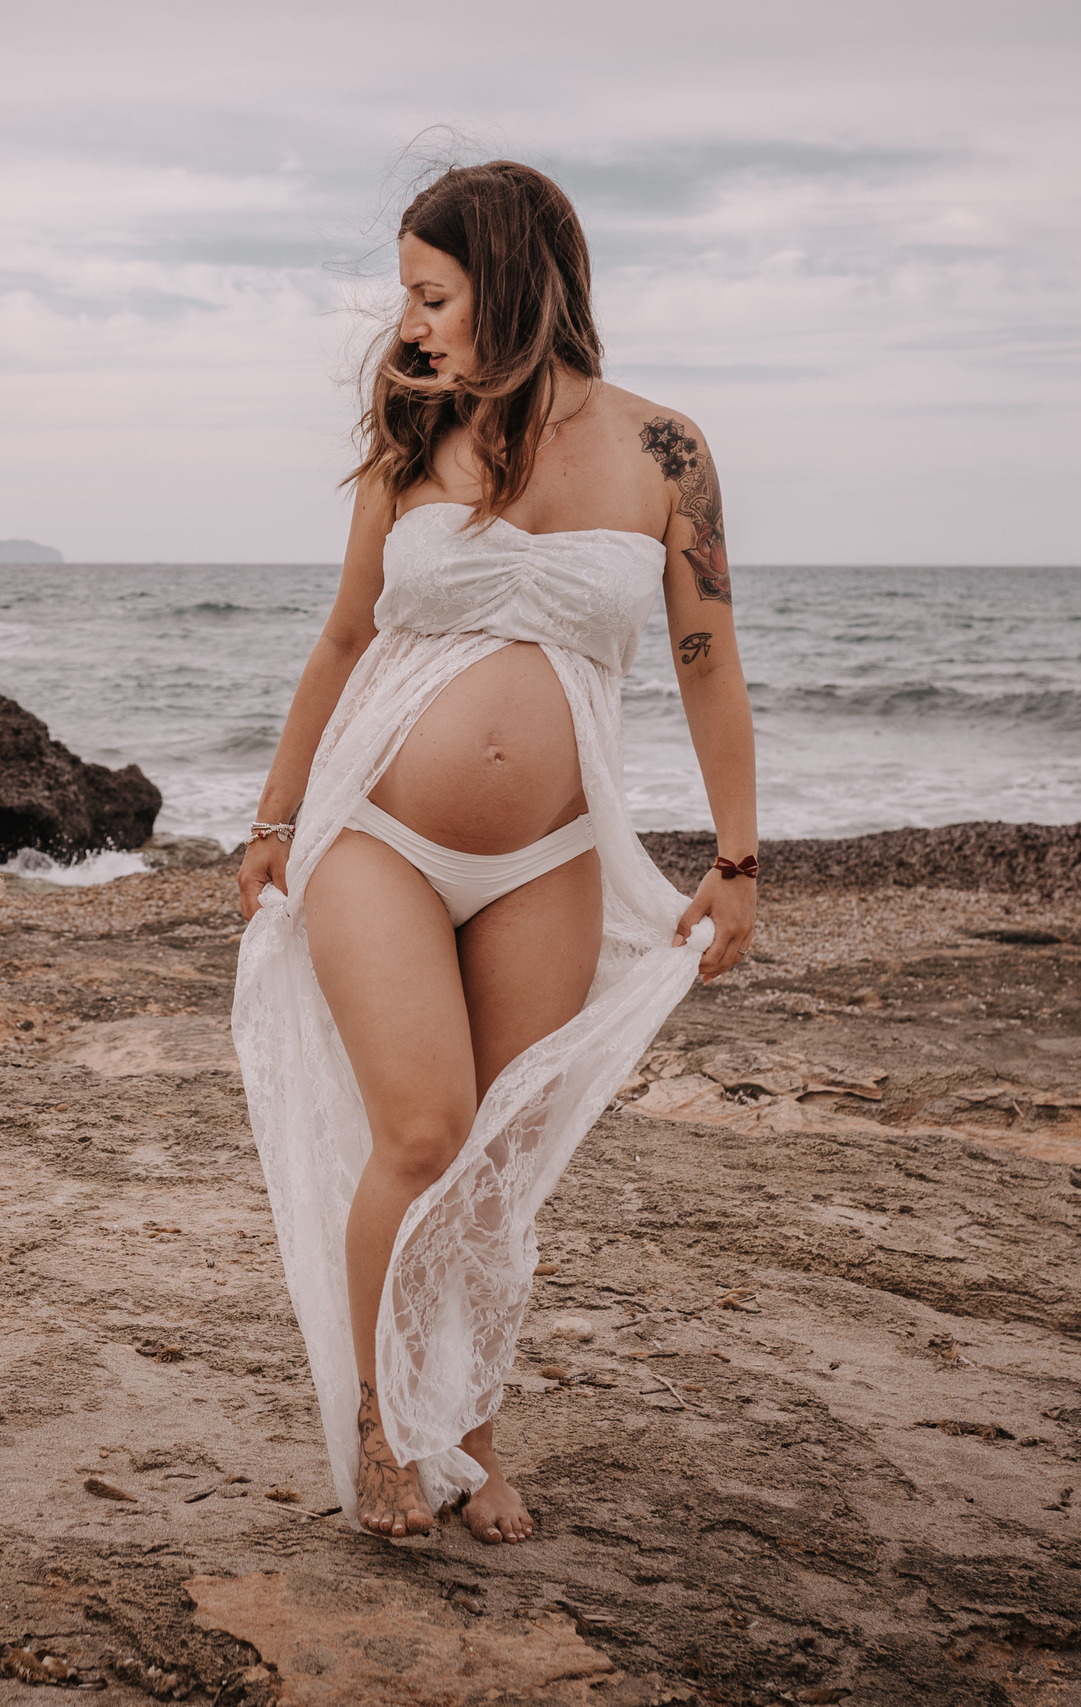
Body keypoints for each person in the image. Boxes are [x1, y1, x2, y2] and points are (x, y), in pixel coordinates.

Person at [231, 160, 759, 1544]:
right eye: (410, 298)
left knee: (499, 1163)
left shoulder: (667, 453)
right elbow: (346, 635)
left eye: (431, 293)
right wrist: (276, 816)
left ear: (511, 283)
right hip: (379, 837)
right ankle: (380, 1424)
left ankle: (468, 1428)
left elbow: (708, 660)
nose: (411, 327)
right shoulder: (415, 431)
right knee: (423, 1131)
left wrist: (740, 855)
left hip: (553, 854)